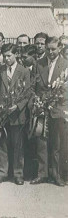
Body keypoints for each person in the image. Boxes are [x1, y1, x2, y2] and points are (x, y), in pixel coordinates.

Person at [0, 43, 31, 185]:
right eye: (4, 56)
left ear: (16, 55)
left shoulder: (24, 71)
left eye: (9, 56)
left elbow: (27, 93)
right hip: (1, 115)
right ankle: (2, 173)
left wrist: (18, 106)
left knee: (18, 145)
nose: (6, 59)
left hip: (17, 115)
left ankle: (18, 174)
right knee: (2, 144)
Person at [31, 37, 67, 186]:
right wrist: (37, 100)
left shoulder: (65, 65)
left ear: (59, 48)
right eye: (48, 49)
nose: (50, 52)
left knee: (57, 144)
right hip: (41, 109)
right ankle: (42, 174)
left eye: (53, 49)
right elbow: (33, 86)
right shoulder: (38, 64)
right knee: (41, 143)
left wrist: (57, 99)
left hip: (58, 109)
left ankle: (57, 175)